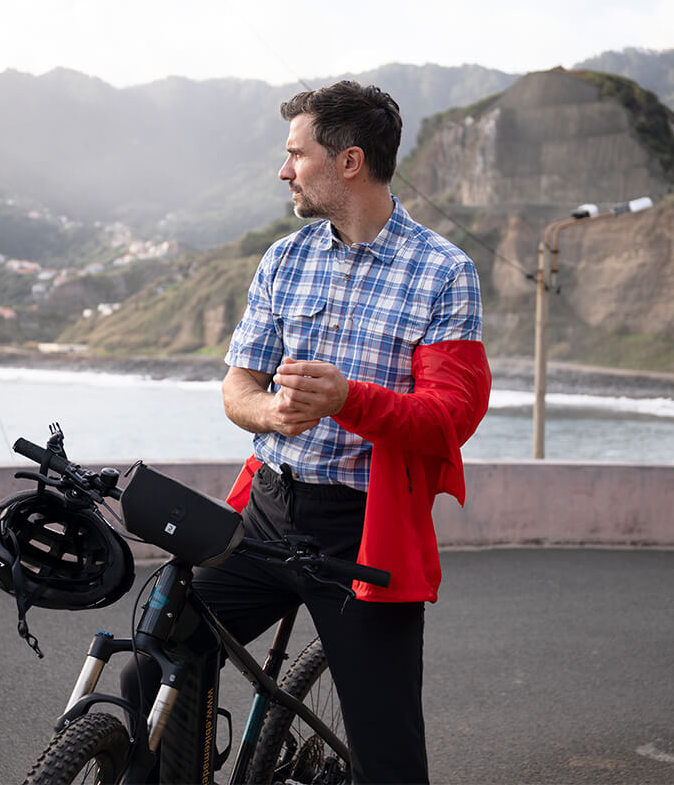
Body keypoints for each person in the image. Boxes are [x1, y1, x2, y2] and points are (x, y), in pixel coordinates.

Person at [199, 80, 492, 783]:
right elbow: (238, 387)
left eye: (296, 154)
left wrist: (348, 399)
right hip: (268, 512)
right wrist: (269, 412)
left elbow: (449, 417)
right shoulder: (285, 258)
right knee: (160, 649)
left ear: (349, 162)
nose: (284, 169)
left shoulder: (443, 272)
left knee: (387, 756)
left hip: (362, 535)